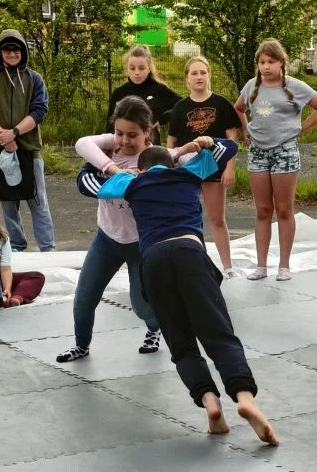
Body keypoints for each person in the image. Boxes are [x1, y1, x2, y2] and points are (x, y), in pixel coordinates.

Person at [86, 137, 279, 445]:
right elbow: (228, 148)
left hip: (154, 261)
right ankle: (245, 398)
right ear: (173, 163)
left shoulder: (132, 184)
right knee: (219, 335)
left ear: (141, 168)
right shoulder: (189, 174)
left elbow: (87, 183)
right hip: (190, 251)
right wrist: (198, 144)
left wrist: (111, 168)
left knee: (181, 342)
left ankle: (210, 403)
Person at [65, 97, 212, 362]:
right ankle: (81, 345)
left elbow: (197, 159)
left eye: (132, 135)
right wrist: (112, 169)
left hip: (142, 244)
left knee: (142, 305)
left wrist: (192, 147)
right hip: (107, 239)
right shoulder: (108, 152)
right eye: (119, 133)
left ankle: (153, 328)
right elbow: (81, 144)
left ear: (148, 131)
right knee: (84, 297)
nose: (124, 140)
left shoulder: (158, 159)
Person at [234, 39, 317, 281]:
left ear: (281, 63)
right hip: (258, 151)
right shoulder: (251, 86)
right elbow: (238, 107)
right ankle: (261, 265)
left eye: (271, 61)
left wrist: (301, 128)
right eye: (262, 62)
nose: (266, 67)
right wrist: (245, 130)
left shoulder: (294, 86)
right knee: (263, 209)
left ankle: (284, 265)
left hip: (284, 151)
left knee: (284, 209)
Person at [0, 30, 54, 252]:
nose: (12, 53)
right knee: (8, 204)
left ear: (23, 52)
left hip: (29, 149)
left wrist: (15, 133)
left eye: (16, 49)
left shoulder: (34, 79)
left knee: (38, 202)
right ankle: (16, 245)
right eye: (7, 49)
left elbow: (40, 110)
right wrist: (2, 135)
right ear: (0, 52)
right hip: (0, 151)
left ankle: (47, 248)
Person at [168, 56, 242, 275]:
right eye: (194, 73)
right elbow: (171, 144)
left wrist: (230, 167)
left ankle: (227, 267)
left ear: (209, 75)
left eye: (203, 72)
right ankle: (193, 267)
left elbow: (232, 140)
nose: (199, 77)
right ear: (187, 79)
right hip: (187, 169)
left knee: (216, 218)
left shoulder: (221, 104)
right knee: (186, 220)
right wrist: (170, 171)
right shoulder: (180, 108)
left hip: (214, 168)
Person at [0, 197, 45, 307]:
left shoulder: (2, 238)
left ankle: (16, 297)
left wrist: (7, 289)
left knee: (36, 277)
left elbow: (5, 268)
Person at [107, 45, 181, 143]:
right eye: (132, 68)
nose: (137, 72)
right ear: (127, 69)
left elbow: (182, 105)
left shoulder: (159, 89)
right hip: (124, 148)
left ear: (149, 68)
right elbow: (109, 125)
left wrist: (162, 119)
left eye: (141, 68)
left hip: (151, 148)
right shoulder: (119, 93)